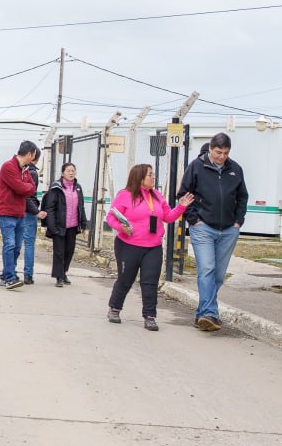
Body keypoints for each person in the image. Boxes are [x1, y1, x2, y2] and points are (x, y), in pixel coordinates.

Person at [105, 163, 195, 330]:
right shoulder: (125, 195)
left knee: (150, 282)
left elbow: (168, 217)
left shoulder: (158, 196)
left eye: (153, 175)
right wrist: (121, 227)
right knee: (125, 279)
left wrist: (181, 206)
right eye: (150, 175)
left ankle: (150, 316)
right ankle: (115, 308)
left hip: (152, 247)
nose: (153, 177)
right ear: (140, 178)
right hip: (128, 245)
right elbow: (111, 217)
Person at [177, 133, 249, 333]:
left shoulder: (235, 169)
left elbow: (243, 196)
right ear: (210, 149)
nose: (222, 157)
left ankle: (203, 313)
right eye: (218, 152)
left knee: (218, 274)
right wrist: (195, 220)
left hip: (228, 229)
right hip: (203, 228)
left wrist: (238, 221)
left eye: (225, 153)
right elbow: (183, 194)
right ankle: (210, 313)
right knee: (207, 269)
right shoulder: (196, 166)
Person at [0, 141, 38, 289]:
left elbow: (32, 188)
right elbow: (20, 188)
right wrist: (25, 187)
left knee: (17, 246)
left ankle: (7, 273)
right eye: (33, 155)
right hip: (7, 211)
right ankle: (9, 278)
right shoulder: (8, 166)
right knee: (10, 244)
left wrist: (26, 187)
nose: (33, 158)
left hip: (20, 212)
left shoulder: (25, 170)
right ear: (29, 154)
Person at [40, 162, 88, 287]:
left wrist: (83, 225)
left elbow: (81, 207)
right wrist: (52, 226)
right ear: (62, 173)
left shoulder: (78, 188)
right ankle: (59, 277)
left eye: (73, 170)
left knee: (69, 251)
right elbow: (49, 208)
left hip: (72, 226)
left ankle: (64, 272)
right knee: (59, 252)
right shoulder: (56, 188)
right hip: (58, 225)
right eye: (68, 171)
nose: (71, 173)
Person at [20, 149, 42, 284]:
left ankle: (9, 273)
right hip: (29, 211)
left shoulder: (21, 170)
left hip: (19, 209)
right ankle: (28, 274)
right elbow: (29, 195)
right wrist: (36, 211)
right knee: (28, 243)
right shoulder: (32, 172)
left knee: (15, 243)